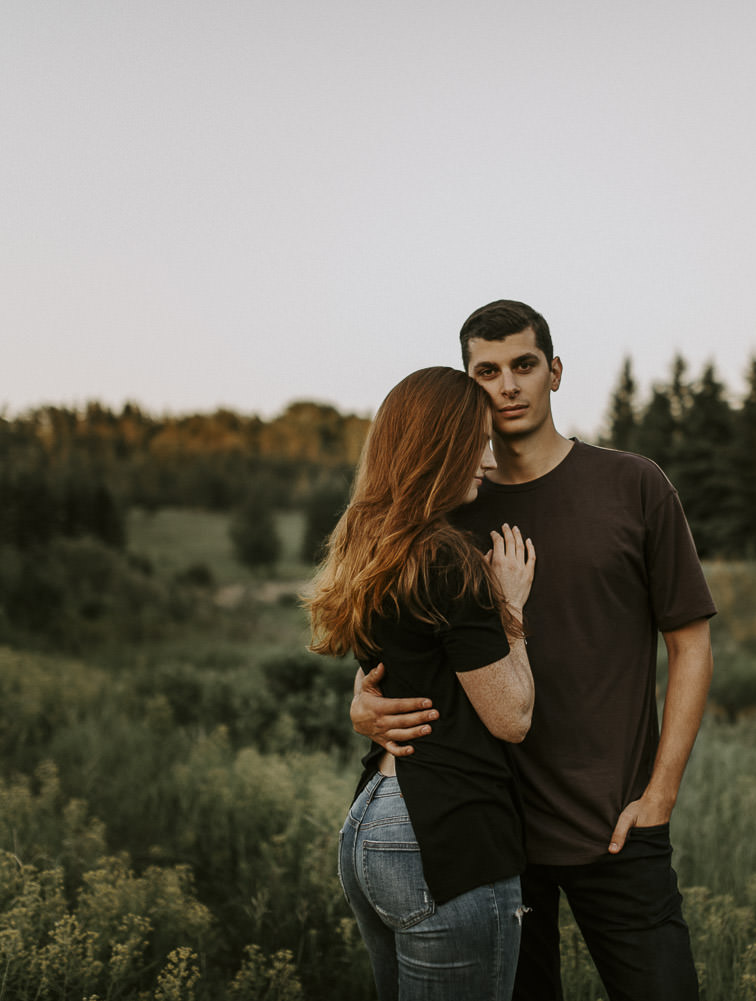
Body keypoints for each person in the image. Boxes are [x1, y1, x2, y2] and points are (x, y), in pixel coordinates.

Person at [351, 301, 717, 1000]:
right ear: (467, 385)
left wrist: (661, 791)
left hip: (618, 823)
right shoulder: (452, 505)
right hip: (496, 837)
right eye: (486, 372)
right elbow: (396, 642)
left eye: (523, 365)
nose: (508, 386)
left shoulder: (633, 484)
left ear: (554, 371)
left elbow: (691, 642)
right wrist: (362, 707)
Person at [307, 366, 539, 1000]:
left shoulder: (370, 542)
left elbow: (394, 671)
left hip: (371, 823)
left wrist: (361, 709)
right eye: (477, 441)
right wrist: (511, 611)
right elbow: (511, 717)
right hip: (441, 834)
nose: (488, 460)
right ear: (439, 447)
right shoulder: (448, 558)